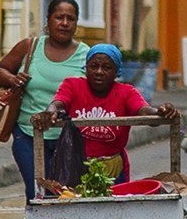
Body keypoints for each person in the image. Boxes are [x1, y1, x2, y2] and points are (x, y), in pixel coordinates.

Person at [0, 0, 87, 198]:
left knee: (65, 194)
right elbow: (0, 69)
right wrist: (13, 79)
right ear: (48, 20)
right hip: (28, 134)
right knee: (37, 192)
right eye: (59, 17)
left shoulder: (85, 54)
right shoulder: (29, 46)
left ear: (76, 24)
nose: (64, 23)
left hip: (68, 138)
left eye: (71, 18)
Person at [36, 45, 161, 187]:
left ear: (117, 72)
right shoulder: (73, 85)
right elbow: (59, 102)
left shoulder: (126, 92)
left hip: (113, 168)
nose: (99, 72)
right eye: (94, 66)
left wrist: (160, 113)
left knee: (115, 207)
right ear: (86, 68)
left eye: (107, 68)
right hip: (76, 166)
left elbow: (145, 111)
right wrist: (51, 110)